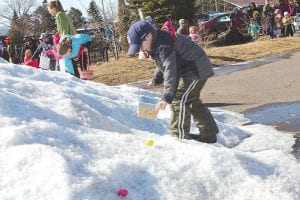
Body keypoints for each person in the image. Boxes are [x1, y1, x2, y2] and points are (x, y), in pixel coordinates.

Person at [127, 21, 219, 143]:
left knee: (179, 99)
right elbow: (163, 64)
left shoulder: (164, 45)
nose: (140, 50)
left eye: (140, 46)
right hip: (193, 67)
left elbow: (171, 70)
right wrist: (156, 79)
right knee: (192, 101)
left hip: (196, 70)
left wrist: (167, 96)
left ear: (148, 37)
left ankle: (179, 137)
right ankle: (209, 134)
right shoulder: (157, 42)